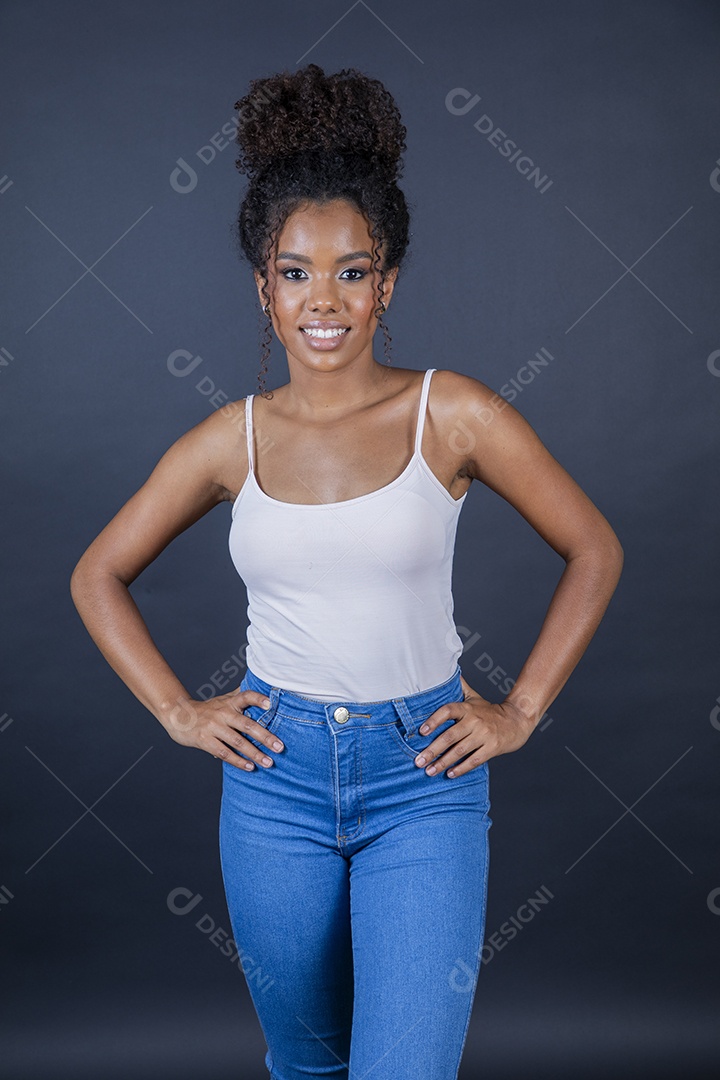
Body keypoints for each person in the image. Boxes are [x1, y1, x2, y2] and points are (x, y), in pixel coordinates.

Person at [70, 63, 623, 1080]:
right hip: (273, 781)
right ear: (263, 286)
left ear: (388, 283)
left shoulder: (450, 414)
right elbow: (96, 573)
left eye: (352, 271)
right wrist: (179, 713)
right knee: (307, 1064)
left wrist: (522, 709)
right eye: (295, 272)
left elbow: (595, 547)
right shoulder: (228, 440)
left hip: (423, 777)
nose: (323, 300)